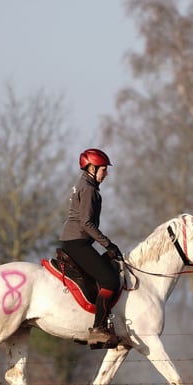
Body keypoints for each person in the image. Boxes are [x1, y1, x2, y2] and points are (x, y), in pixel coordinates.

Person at [60, 148, 123, 348]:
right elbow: (87, 224)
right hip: (77, 241)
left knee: (102, 273)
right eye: (104, 169)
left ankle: (86, 324)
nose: (106, 173)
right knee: (110, 280)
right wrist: (108, 244)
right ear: (91, 168)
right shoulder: (88, 189)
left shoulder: (85, 185)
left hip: (77, 240)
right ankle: (97, 329)